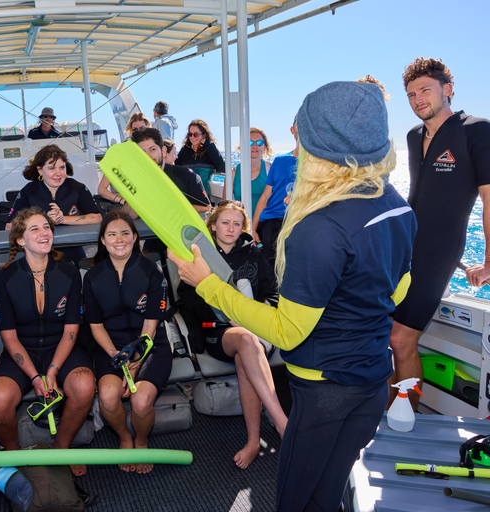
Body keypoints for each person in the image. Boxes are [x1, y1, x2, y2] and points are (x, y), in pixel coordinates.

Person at [169, 81, 416, 511]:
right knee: (332, 488)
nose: (293, 138)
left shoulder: (318, 227)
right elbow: (399, 289)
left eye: (301, 133)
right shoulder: (396, 204)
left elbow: (286, 331)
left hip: (325, 395)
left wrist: (207, 282)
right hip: (375, 379)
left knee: (298, 501)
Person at [390, 57, 490, 410]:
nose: (418, 99)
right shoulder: (414, 135)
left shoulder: (475, 130)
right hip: (403, 245)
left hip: (439, 249)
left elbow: (489, 197)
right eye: (411, 94)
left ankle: (406, 416)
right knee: (387, 335)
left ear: (447, 90)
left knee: (401, 338)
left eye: (425, 90)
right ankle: (389, 414)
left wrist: (488, 260)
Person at [176, 201, 288, 469]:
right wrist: (222, 314)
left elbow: (272, 294)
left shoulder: (254, 254)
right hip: (219, 331)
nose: (231, 228)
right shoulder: (198, 257)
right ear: (213, 226)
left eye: (237, 224)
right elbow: (186, 298)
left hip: (256, 327)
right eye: (225, 222)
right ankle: (284, 424)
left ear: (243, 228)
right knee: (245, 341)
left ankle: (253, 441)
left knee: (246, 351)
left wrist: (257, 312)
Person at [0, 207, 96, 477]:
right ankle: (13, 453)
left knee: (84, 386)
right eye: (34, 229)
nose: (44, 233)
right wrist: (36, 376)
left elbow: (71, 330)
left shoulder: (69, 272)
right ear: (20, 240)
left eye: (46, 227)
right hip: (21, 351)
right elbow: (9, 337)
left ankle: (61, 448)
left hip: (60, 348)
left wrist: (52, 370)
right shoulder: (5, 278)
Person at [83, 211, 172, 474]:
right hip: (110, 347)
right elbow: (96, 326)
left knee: (141, 401)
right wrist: (116, 356)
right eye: (112, 234)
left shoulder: (152, 271)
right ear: (103, 240)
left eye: (125, 233)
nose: (118, 239)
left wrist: (134, 363)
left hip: (149, 345)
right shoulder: (93, 277)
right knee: (109, 398)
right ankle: (124, 438)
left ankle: (142, 441)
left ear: (135, 237)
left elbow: (150, 327)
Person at [6, 144, 102, 264]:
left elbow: (97, 217)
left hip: (72, 249)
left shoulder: (77, 188)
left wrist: (62, 219)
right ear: (40, 170)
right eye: (52, 168)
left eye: (62, 167)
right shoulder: (29, 191)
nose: (58, 173)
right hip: (38, 252)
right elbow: (10, 225)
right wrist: (45, 222)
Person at [126, 128, 211, 217]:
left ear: (163, 151)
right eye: (142, 152)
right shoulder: (136, 179)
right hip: (147, 230)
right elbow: (129, 215)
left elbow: (207, 208)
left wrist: (170, 209)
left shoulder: (186, 175)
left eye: (152, 150)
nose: (148, 156)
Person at [252, 118, 299, 267]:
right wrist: (252, 229)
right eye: (299, 128)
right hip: (269, 222)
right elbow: (266, 196)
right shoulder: (279, 161)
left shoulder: (316, 163)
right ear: (292, 131)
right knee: (268, 268)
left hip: (295, 222)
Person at [97, 111, 153, 201]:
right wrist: (121, 201)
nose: (139, 132)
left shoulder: (152, 158)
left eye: (142, 128)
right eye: (135, 129)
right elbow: (101, 189)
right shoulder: (117, 160)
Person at [176, 119, 225, 198]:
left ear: (204, 135)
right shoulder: (184, 151)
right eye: (190, 134)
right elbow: (175, 169)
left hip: (202, 198)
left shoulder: (210, 150)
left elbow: (223, 168)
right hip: (184, 197)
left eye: (196, 134)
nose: (192, 137)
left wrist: (210, 146)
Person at [233, 127, 272, 210]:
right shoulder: (234, 173)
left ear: (264, 147)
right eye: (250, 142)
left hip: (263, 222)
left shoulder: (271, 170)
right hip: (241, 221)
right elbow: (226, 205)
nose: (254, 146)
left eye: (259, 142)